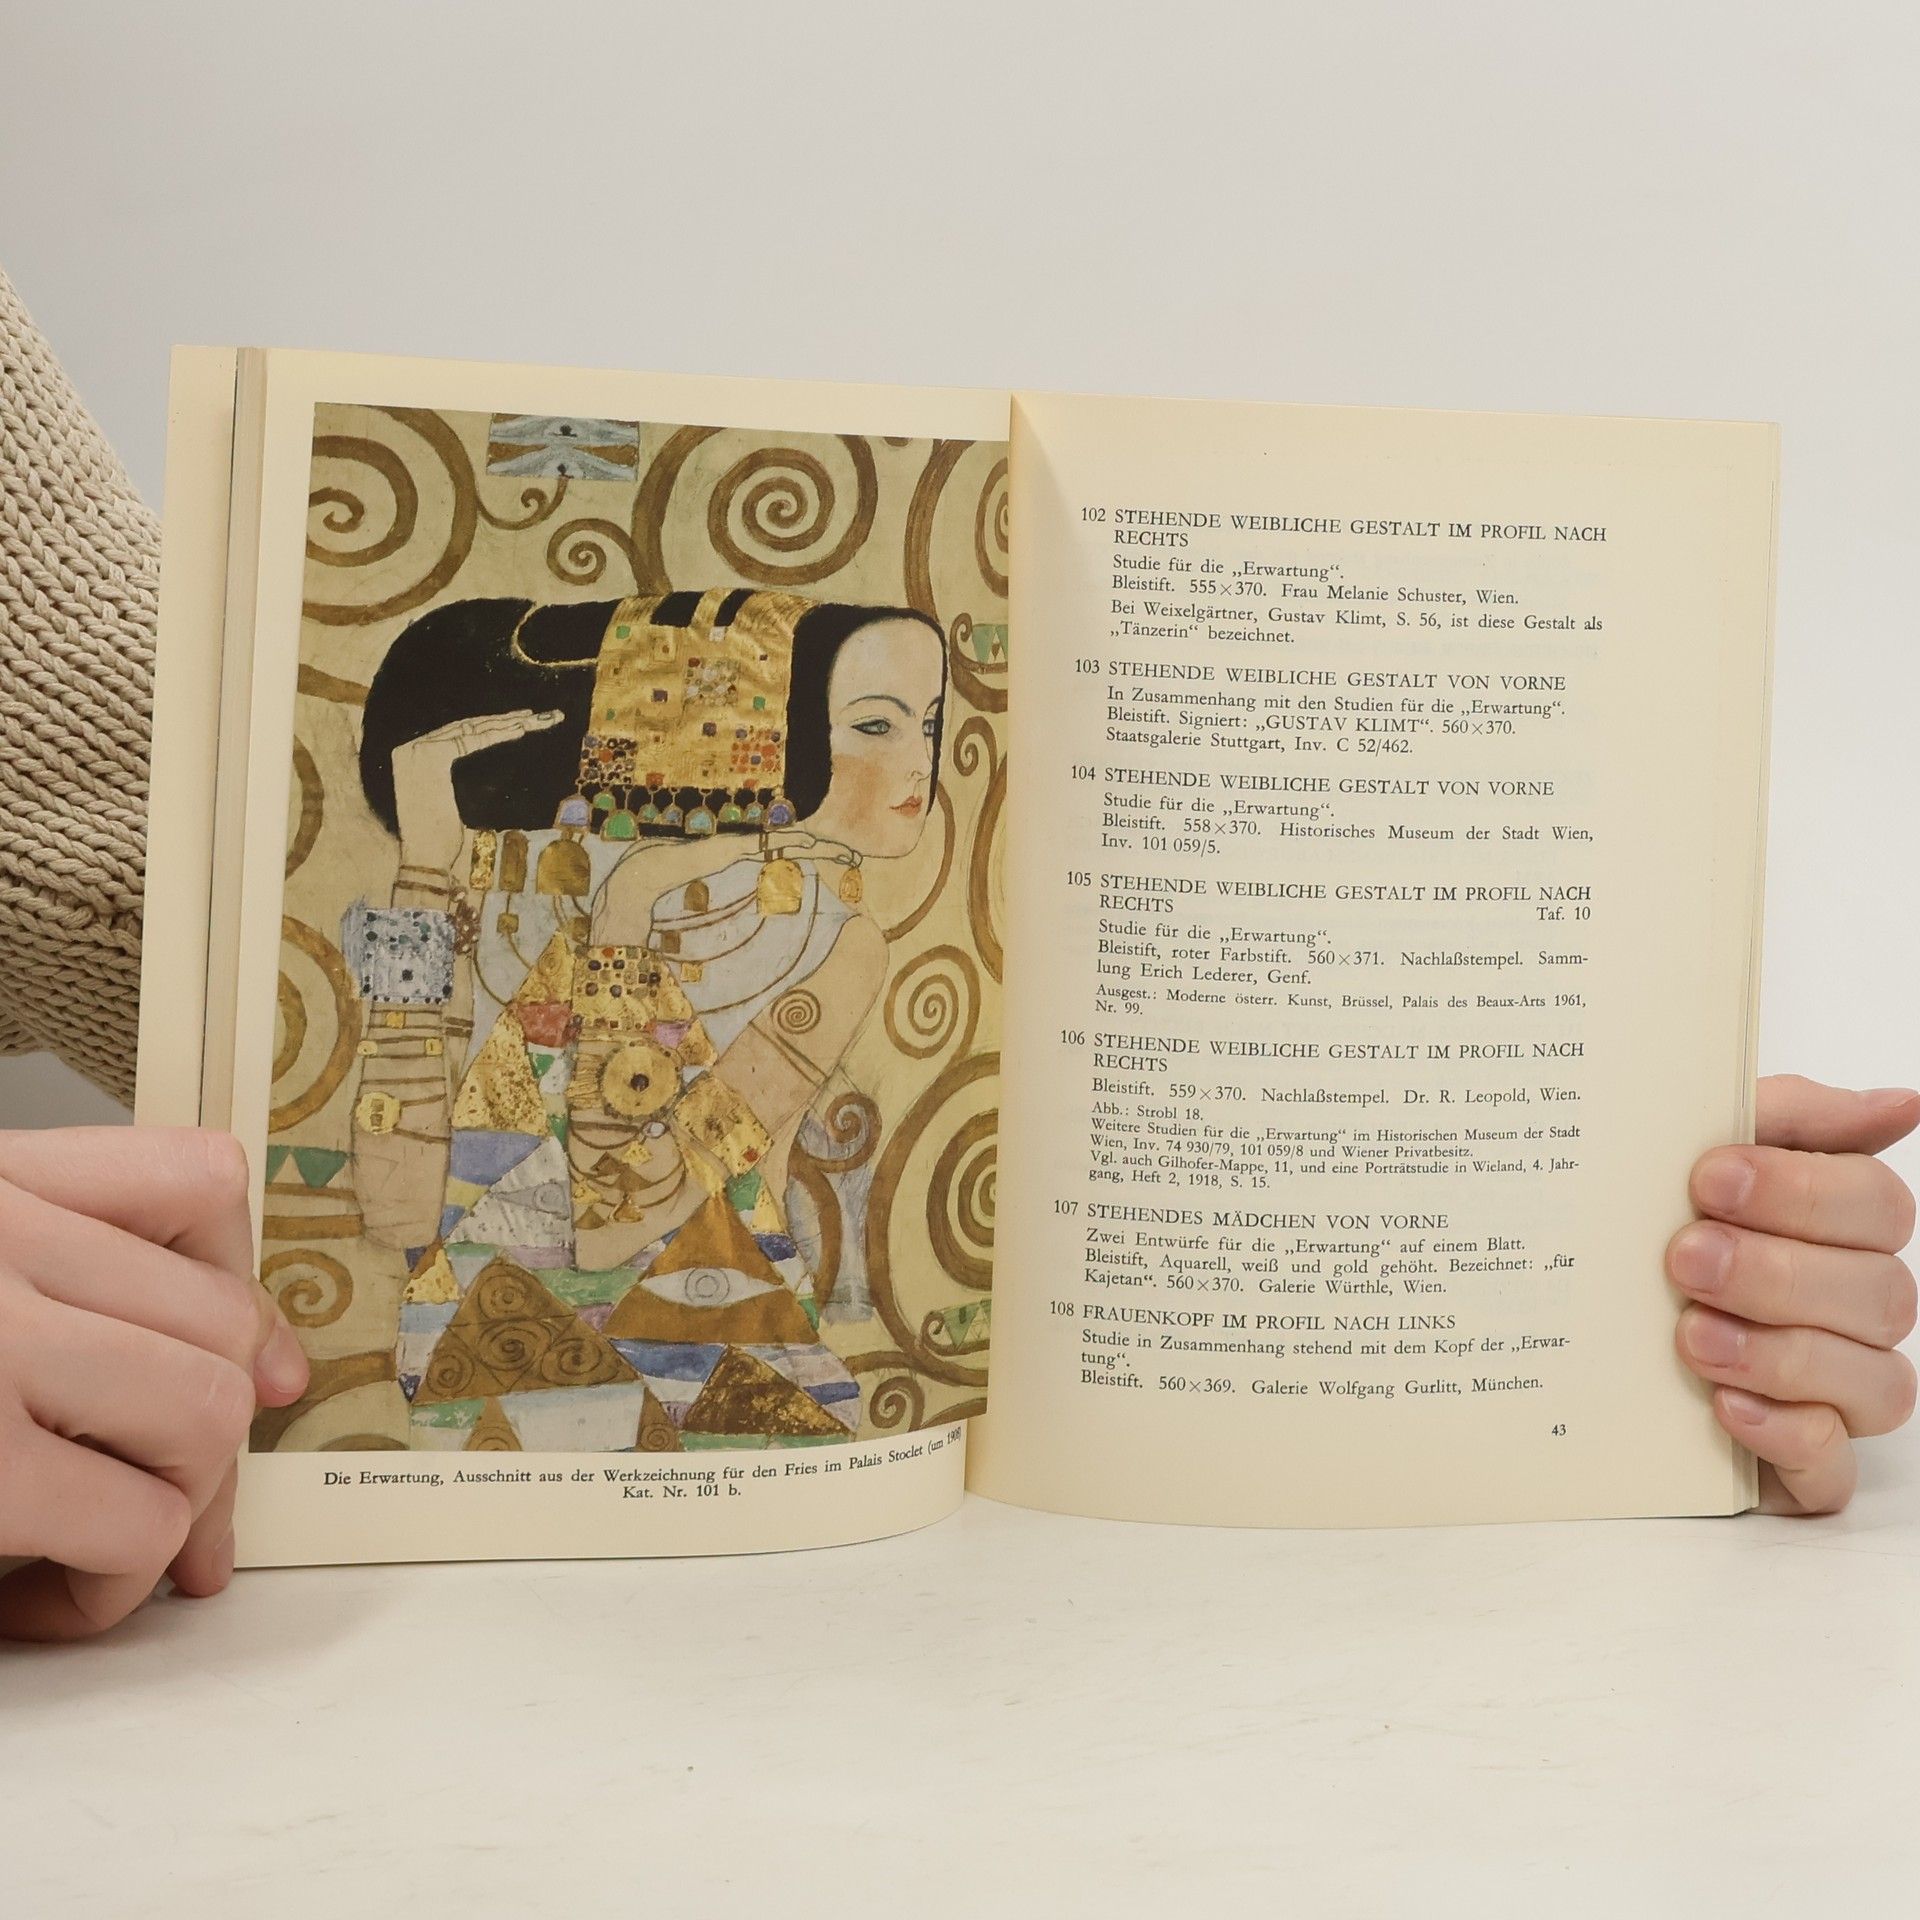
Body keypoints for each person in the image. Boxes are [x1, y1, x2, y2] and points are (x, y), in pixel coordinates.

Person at [0, 267, 1914, 1643]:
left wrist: (1545, 1179)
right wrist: (462, 891)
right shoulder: (573, 943)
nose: (915, 770)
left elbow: (89, 775)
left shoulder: (770, 927)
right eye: (873, 727)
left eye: (927, 727)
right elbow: (445, 1198)